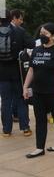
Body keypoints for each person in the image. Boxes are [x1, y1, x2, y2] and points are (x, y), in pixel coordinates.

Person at [23, 23, 54, 158]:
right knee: (40, 120)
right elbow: (31, 70)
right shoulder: (36, 50)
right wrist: (25, 86)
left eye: (45, 34)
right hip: (38, 92)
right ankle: (39, 148)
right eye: (41, 33)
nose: (42, 36)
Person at [0, 10, 34, 138]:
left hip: (2, 74)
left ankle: (6, 130)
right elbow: (31, 44)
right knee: (21, 99)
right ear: (11, 18)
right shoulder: (20, 31)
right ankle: (25, 128)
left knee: (5, 101)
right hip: (17, 73)